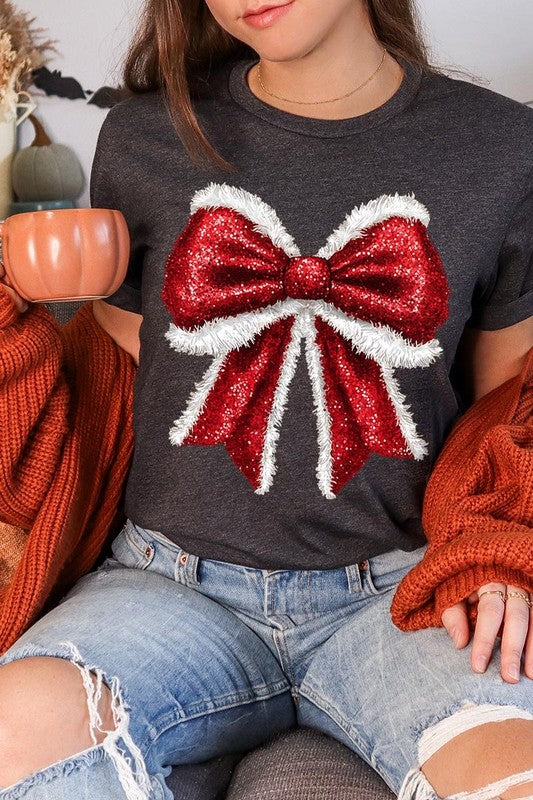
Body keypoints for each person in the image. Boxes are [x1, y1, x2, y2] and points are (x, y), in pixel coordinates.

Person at [0, 1, 532, 798]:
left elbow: (511, 406)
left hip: (397, 593)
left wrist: (498, 544)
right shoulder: (144, 136)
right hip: (165, 586)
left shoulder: (503, 146)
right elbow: (121, 367)